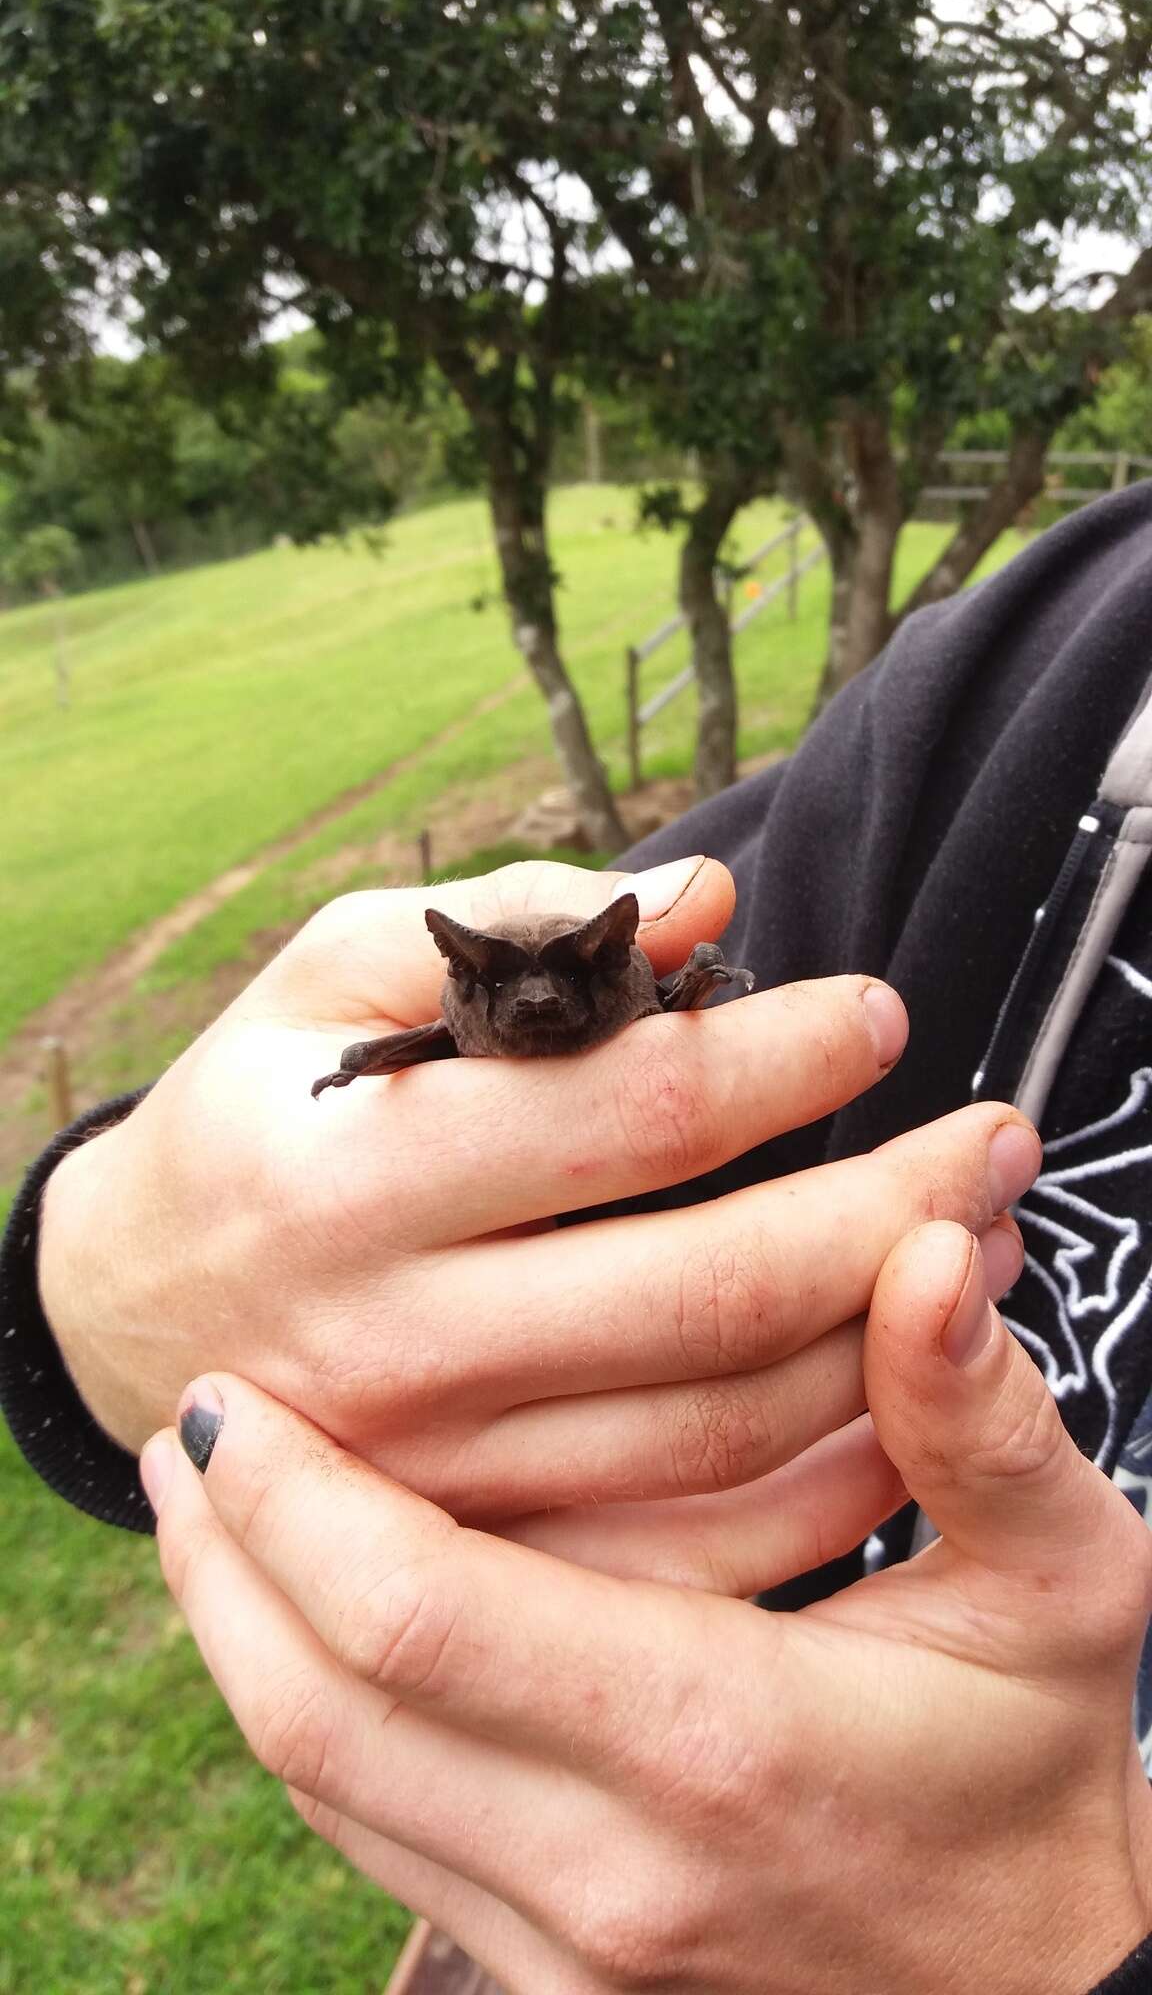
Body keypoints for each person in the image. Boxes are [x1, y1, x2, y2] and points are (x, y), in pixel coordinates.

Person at [4, 483, 1152, 1990]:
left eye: (561, 991)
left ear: (600, 981)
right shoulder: (1045, 687)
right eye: (506, 996)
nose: (540, 1010)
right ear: (474, 991)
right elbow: (356, 1080)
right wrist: (108, 1265)